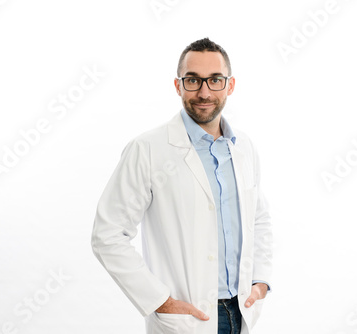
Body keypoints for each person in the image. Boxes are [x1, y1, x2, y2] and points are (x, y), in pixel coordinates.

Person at [91, 37, 272, 334]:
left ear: (230, 85)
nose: (204, 92)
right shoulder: (147, 149)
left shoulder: (244, 148)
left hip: (241, 310)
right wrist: (160, 301)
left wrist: (261, 281)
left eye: (215, 80)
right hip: (185, 318)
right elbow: (107, 234)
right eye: (193, 80)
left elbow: (259, 218)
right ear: (178, 86)